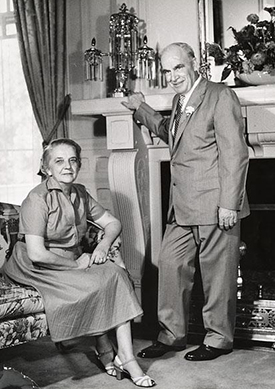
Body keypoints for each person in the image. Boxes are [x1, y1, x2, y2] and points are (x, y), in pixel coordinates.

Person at [122, 42, 250, 361]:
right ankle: (171, 334)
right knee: (170, 264)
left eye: (178, 67)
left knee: (217, 275)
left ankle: (219, 338)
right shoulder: (181, 100)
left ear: (194, 63)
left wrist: (229, 204)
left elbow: (235, 153)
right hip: (181, 205)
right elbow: (170, 132)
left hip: (215, 203)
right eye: (167, 70)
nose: (173, 75)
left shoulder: (219, 95)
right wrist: (141, 108)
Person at [3, 138, 155, 387]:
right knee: (98, 282)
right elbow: (37, 254)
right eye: (59, 161)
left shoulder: (80, 193)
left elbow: (113, 223)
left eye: (73, 160)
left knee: (115, 273)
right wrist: (76, 265)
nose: (67, 166)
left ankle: (125, 357)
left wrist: (103, 245)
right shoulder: (37, 199)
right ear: (46, 168)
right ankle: (105, 346)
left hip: (72, 258)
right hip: (35, 266)